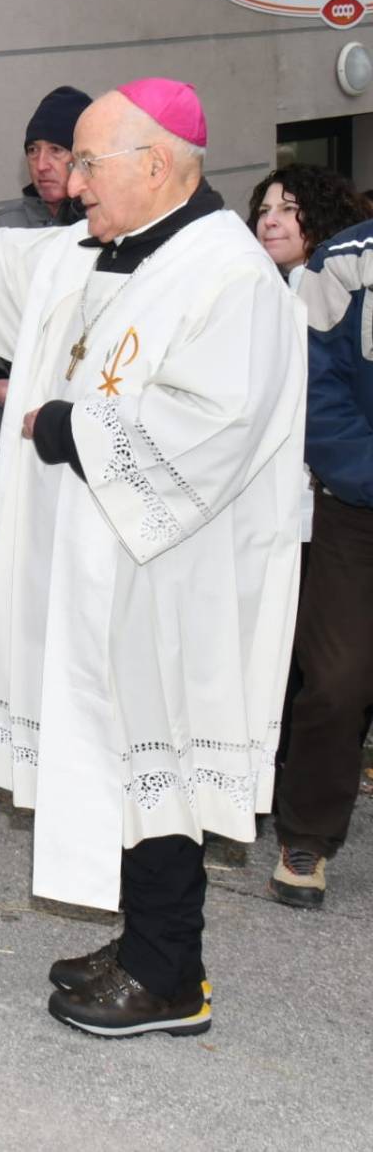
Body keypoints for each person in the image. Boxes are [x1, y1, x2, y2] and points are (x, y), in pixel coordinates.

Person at [0, 79, 306, 1038]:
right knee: (117, 755)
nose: (70, 184)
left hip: (172, 577)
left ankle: (171, 977)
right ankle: (147, 947)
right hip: (95, 564)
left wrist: (72, 426)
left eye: (87, 163)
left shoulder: (230, 274)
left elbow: (218, 424)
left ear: (154, 163)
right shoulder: (86, 251)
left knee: (159, 760)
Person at [272, 213, 373, 908]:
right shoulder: (344, 263)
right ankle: (306, 834)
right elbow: (313, 383)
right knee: (335, 679)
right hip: (355, 507)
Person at [0, 86, 92, 566]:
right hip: (9, 446)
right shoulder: (3, 228)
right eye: (33, 150)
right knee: (9, 578)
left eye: (57, 149)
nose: (42, 164)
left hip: (83, 450)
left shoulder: (109, 227)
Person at [246, 165, 369, 278]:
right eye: (264, 211)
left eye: (288, 209)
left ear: (324, 216)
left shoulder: (357, 285)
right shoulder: (254, 284)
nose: (268, 221)